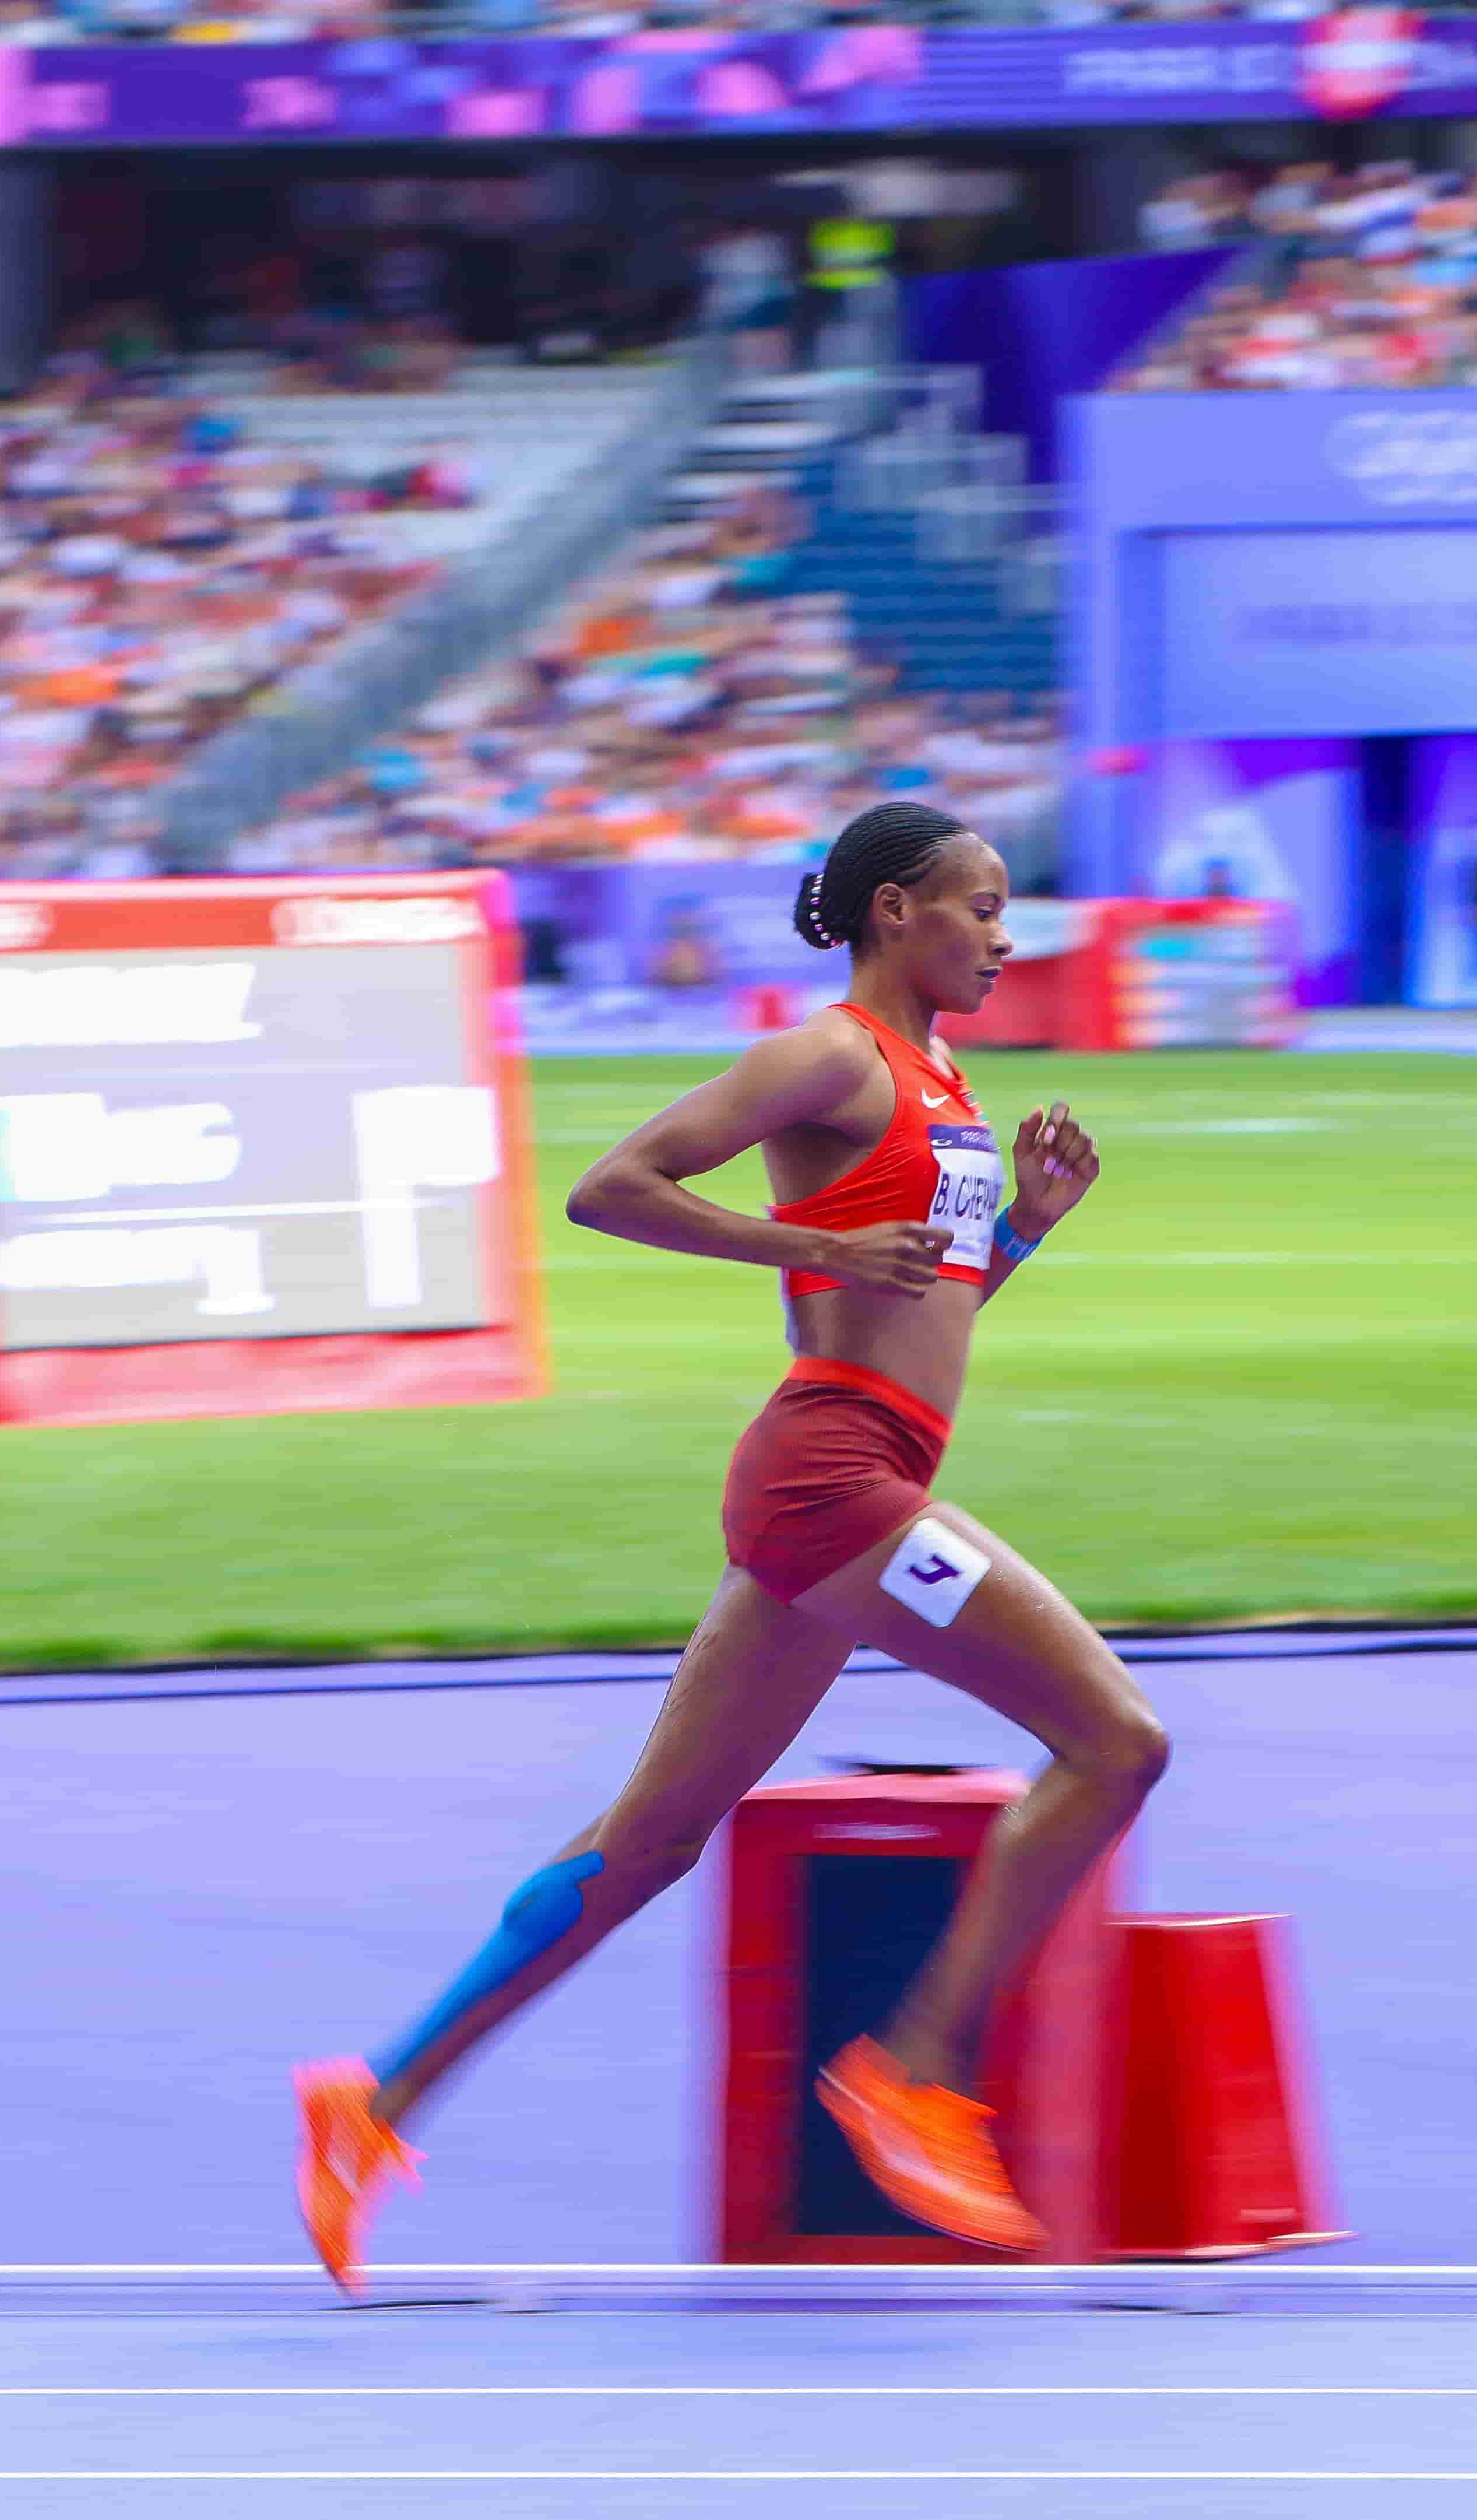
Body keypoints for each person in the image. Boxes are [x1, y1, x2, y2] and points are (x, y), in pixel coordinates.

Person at [291, 801, 1160, 2289]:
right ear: (895, 911)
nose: (1009, 937)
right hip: (838, 1482)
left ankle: (375, 2099)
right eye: (983, 906)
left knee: (648, 1844)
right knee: (1117, 1741)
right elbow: (610, 1187)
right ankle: (913, 2070)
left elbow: (920, 1317)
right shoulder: (829, 1057)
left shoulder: (941, 1079)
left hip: (849, 1475)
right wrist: (811, 1247)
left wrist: (1018, 1229)